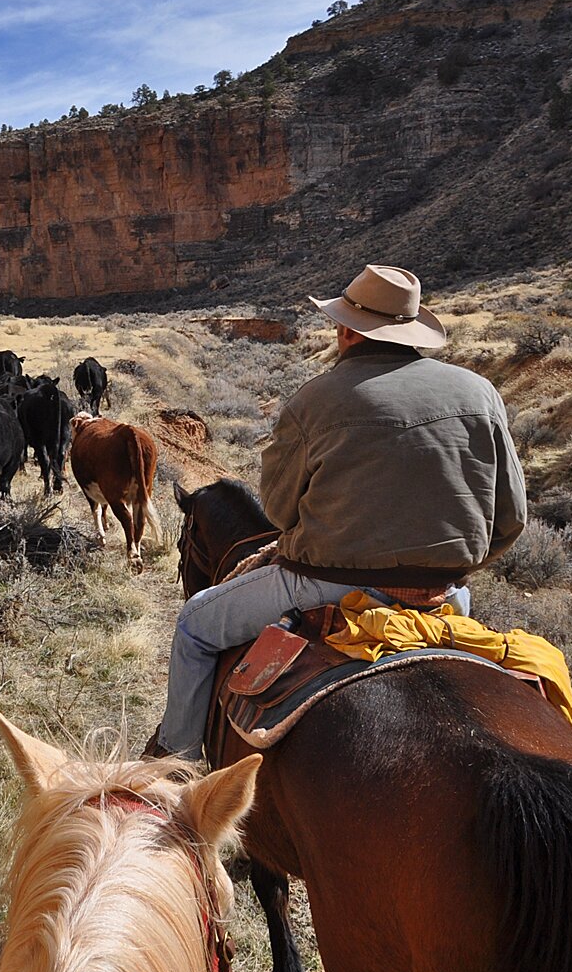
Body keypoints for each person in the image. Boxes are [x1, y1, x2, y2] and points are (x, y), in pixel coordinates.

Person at [153, 264, 527, 760]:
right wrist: (447, 567)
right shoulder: (480, 393)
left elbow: (282, 513)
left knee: (196, 625)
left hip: (327, 583)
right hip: (445, 597)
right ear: (410, 329)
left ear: (348, 329)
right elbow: (511, 517)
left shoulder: (315, 399)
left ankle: (175, 763)